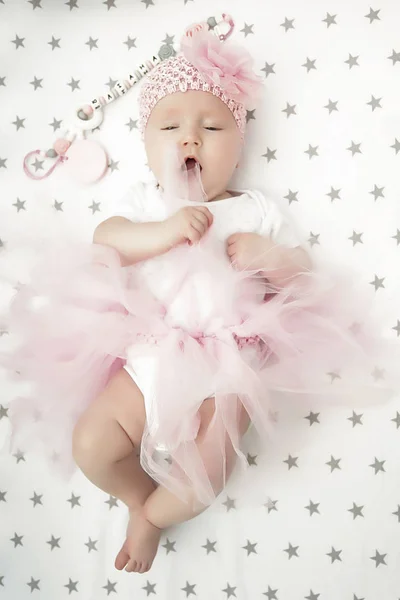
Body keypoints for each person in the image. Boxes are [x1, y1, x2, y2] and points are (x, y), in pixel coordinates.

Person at [2, 17, 398, 576]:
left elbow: (306, 281)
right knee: (92, 444)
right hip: (148, 352)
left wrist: (273, 259)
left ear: (238, 145)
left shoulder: (256, 210)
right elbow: (106, 239)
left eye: (212, 127)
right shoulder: (148, 202)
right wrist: (160, 234)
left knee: (207, 475)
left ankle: (154, 517)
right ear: (146, 147)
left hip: (228, 365)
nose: (190, 138)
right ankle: (141, 497)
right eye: (170, 128)